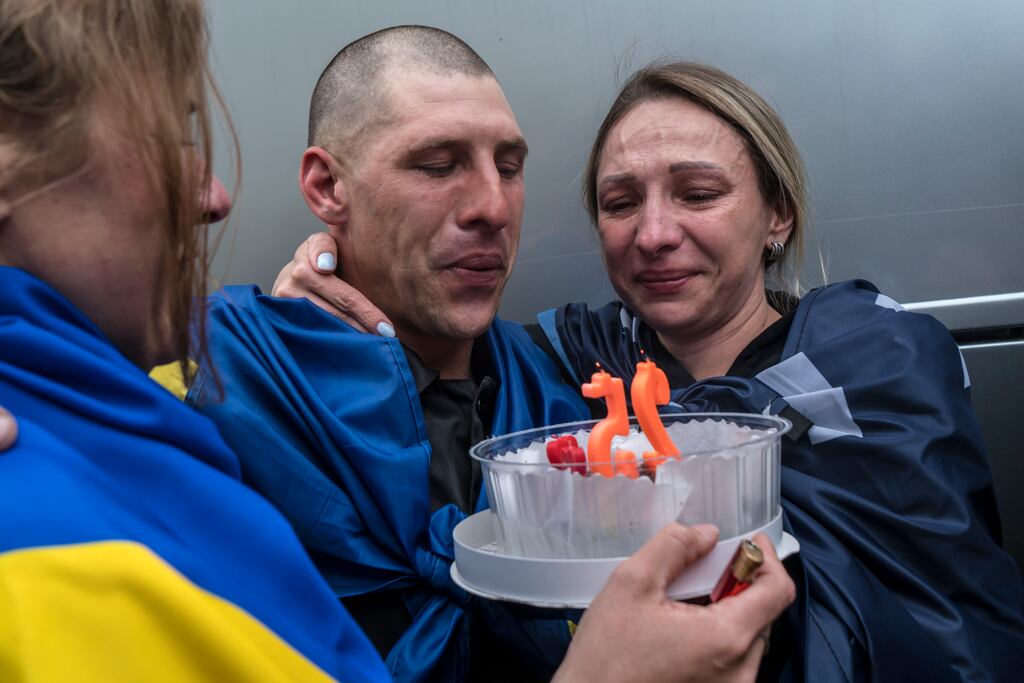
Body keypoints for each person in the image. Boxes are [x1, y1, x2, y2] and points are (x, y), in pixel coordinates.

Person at [0, 6, 795, 682]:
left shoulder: (563, 381)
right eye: (438, 164)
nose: (491, 205)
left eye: (509, 165)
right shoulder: (208, 380)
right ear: (326, 189)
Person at [280, 62, 1024, 680]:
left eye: (699, 194)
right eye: (620, 202)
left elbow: (941, 614)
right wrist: (333, 277)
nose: (655, 234)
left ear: (778, 214)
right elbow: (433, 353)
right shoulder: (564, 362)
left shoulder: (881, 354)